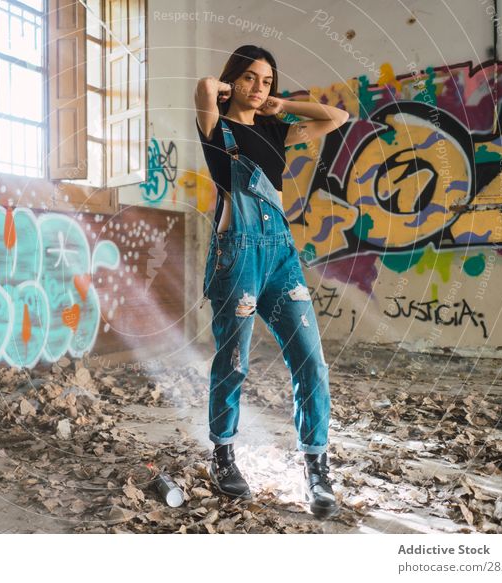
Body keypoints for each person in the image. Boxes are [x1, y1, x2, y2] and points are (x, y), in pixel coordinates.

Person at [194, 45, 349, 519]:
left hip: (281, 255)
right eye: (250, 78)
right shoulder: (214, 127)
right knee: (234, 361)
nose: (260, 87)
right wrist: (229, 93)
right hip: (236, 255)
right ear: (233, 80)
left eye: (267, 80)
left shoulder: (275, 129)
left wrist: (283, 105)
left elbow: (336, 117)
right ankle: (223, 454)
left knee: (311, 360)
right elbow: (203, 88)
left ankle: (317, 469)